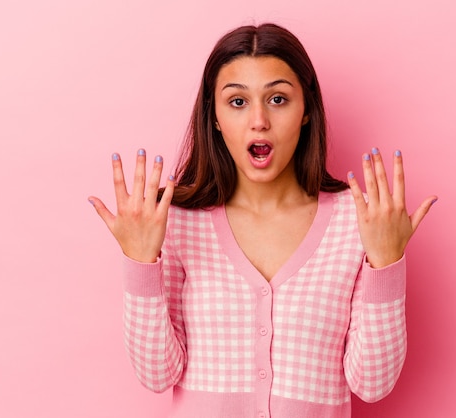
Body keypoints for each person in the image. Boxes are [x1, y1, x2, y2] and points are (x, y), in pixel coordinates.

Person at [88, 23, 436, 418]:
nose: (258, 121)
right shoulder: (177, 222)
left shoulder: (357, 221)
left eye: (278, 99)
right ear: (214, 117)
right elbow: (156, 374)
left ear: (306, 110)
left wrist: (387, 262)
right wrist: (139, 262)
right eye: (237, 102)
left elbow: (372, 384)